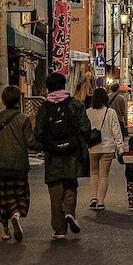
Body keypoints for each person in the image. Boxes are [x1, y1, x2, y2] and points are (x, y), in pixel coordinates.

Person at [35, 72, 90, 240]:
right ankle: (69, 211)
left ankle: (59, 230)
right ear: (64, 85)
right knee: (70, 184)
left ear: (48, 88)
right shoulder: (76, 104)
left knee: (55, 189)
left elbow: (38, 133)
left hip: (53, 155)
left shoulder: (44, 108)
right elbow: (85, 128)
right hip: (72, 153)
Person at [0, 85, 34, 242]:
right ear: (18, 99)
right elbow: (31, 142)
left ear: (3, 100)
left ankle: (5, 230)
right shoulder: (24, 119)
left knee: (3, 197)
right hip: (19, 165)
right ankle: (16, 214)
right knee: (20, 193)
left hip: (0, 165)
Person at [85, 87, 122, 212]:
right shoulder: (110, 112)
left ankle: (93, 198)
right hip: (108, 147)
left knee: (94, 173)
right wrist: (120, 148)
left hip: (93, 147)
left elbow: (84, 130)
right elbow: (116, 131)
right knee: (104, 175)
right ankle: (101, 201)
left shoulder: (88, 112)